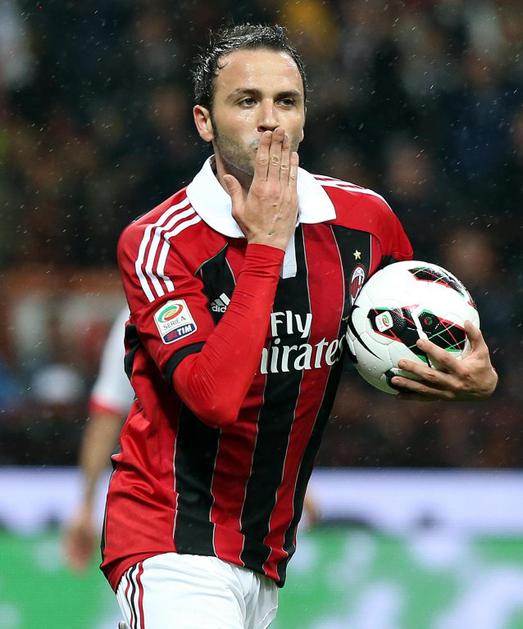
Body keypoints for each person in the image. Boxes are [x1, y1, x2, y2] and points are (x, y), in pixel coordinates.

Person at [101, 24, 497, 628]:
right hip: (170, 540)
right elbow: (213, 398)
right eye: (246, 101)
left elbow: (404, 335)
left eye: (286, 101)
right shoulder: (160, 242)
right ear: (204, 122)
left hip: (266, 554)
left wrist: (472, 375)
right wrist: (266, 245)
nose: (270, 120)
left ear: (305, 118)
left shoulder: (363, 222)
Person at [64, 306, 134, 571]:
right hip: (184, 496)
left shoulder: (137, 313)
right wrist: (86, 505)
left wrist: (86, 504)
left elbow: (107, 415)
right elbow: (108, 412)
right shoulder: (137, 315)